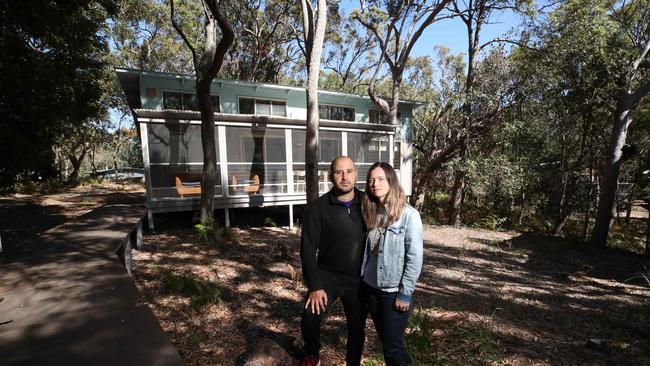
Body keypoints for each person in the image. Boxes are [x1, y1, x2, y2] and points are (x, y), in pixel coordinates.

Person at [300, 156, 367, 366]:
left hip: (359, 278)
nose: (344, 177)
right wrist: (315, 285)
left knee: (357, 328)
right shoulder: (318, 208)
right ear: (330, 176)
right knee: (310, 316)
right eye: (339, 172)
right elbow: (308, 249)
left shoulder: (368, 203)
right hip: (328, 276)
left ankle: (353, 363)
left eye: (349, 171)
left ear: (356, 174)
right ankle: (312, 354)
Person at [360, 162, 423, 366]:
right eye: (371, 180)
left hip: (393, 292)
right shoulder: (371, 211)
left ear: (391, 181)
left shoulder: (409, 215)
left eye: (380, 179)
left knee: (393, 348)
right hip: (370, 288)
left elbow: (414, 258)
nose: (374, 183)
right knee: (387, 344)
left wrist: (405, 293)